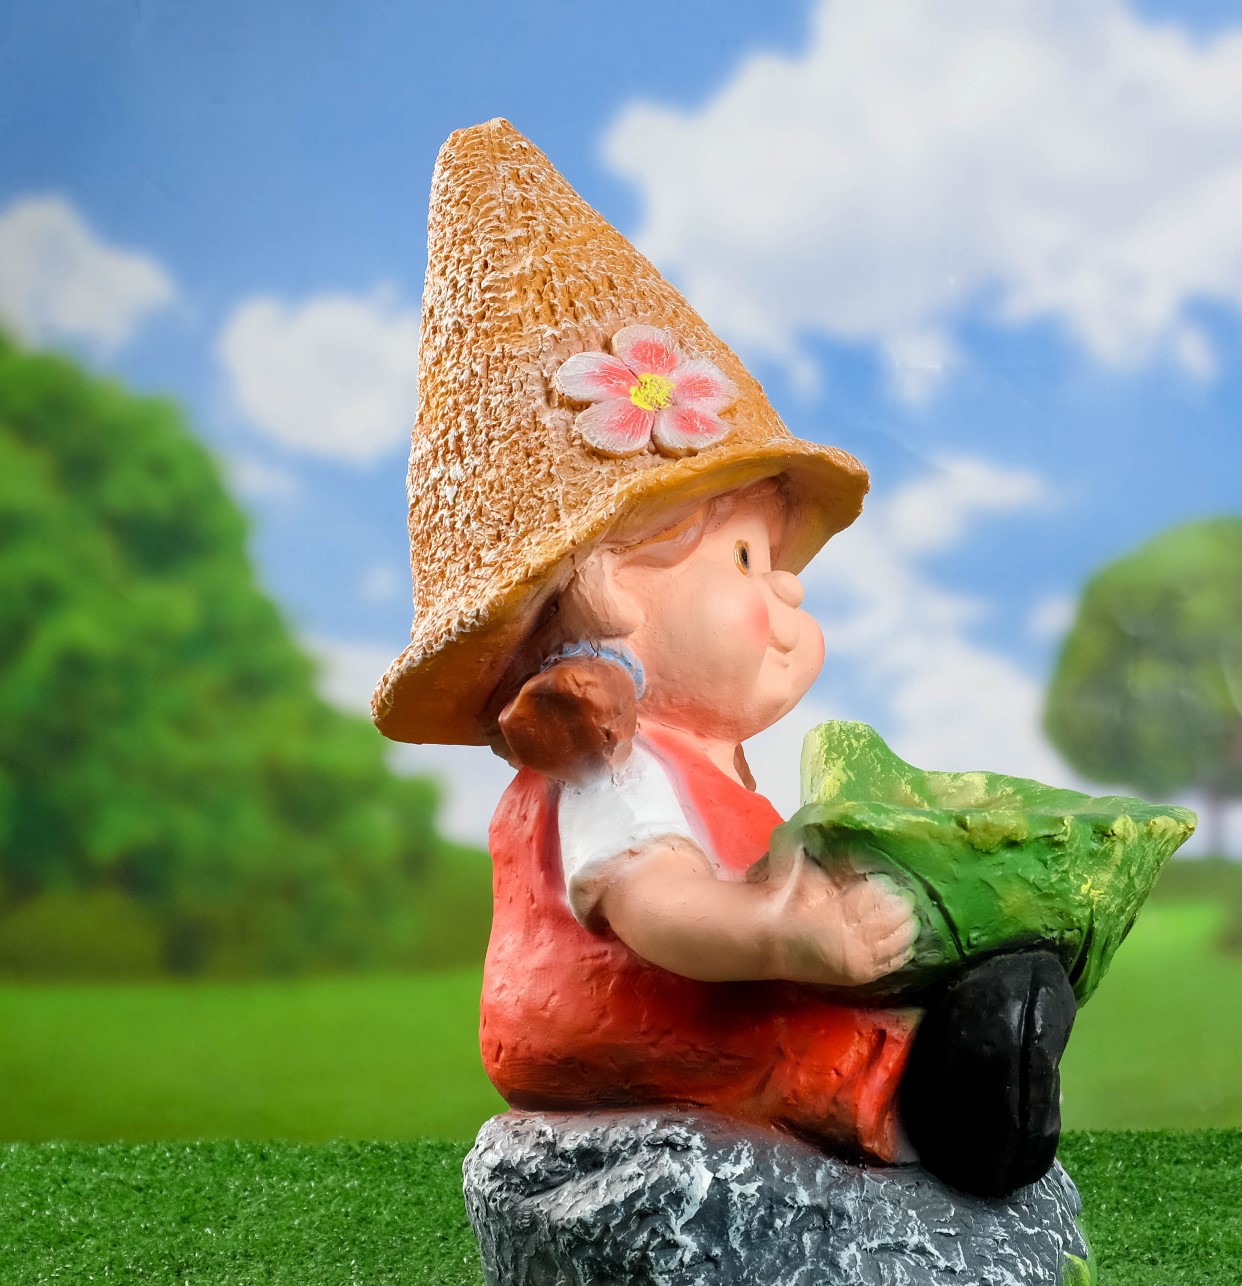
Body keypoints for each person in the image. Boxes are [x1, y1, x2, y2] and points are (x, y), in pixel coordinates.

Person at [372, 119, 1071, 1196]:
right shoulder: (608, 761)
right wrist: (782, 928)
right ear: (611, 586)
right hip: (636, 1013)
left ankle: (968, 1057)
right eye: (745, 556)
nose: (785, 588)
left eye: (777, 559)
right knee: (809, 1045)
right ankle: (944, 1101)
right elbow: (656, 906)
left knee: (849, 1005)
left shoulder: (696, 757)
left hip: (711, 993)